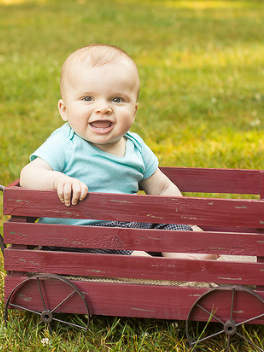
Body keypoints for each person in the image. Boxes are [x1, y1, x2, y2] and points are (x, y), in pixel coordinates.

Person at [20, 44, 216, 259]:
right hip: (79, 235)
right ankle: (148, 267)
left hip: (130, 223)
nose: (103, 108)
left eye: (117, 99)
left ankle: (183, 260)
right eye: (88, 98)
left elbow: (162, 190)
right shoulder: (65, 143)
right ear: (64, 110)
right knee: (116, 241)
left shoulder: (136, 146)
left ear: (134, 110)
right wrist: (57, 181)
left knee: (164, 221)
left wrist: (183, 221)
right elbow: (29, 174)